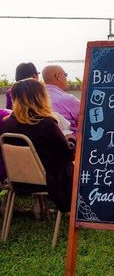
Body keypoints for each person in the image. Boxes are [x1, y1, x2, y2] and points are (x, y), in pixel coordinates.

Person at [0, 79, 75, 212]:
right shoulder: (46, 124)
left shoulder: (7, 123)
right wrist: (71, 140)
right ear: (40, 97)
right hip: (48, 181)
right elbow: (67, 155)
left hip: (18, 181)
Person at [41, 65, 81, 136]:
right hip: (71, 142)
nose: (66, 78)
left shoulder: (38, 98)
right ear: (58, 76)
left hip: (45, 141)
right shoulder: (66, 100)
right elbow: (88, 119)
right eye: (65, 75)